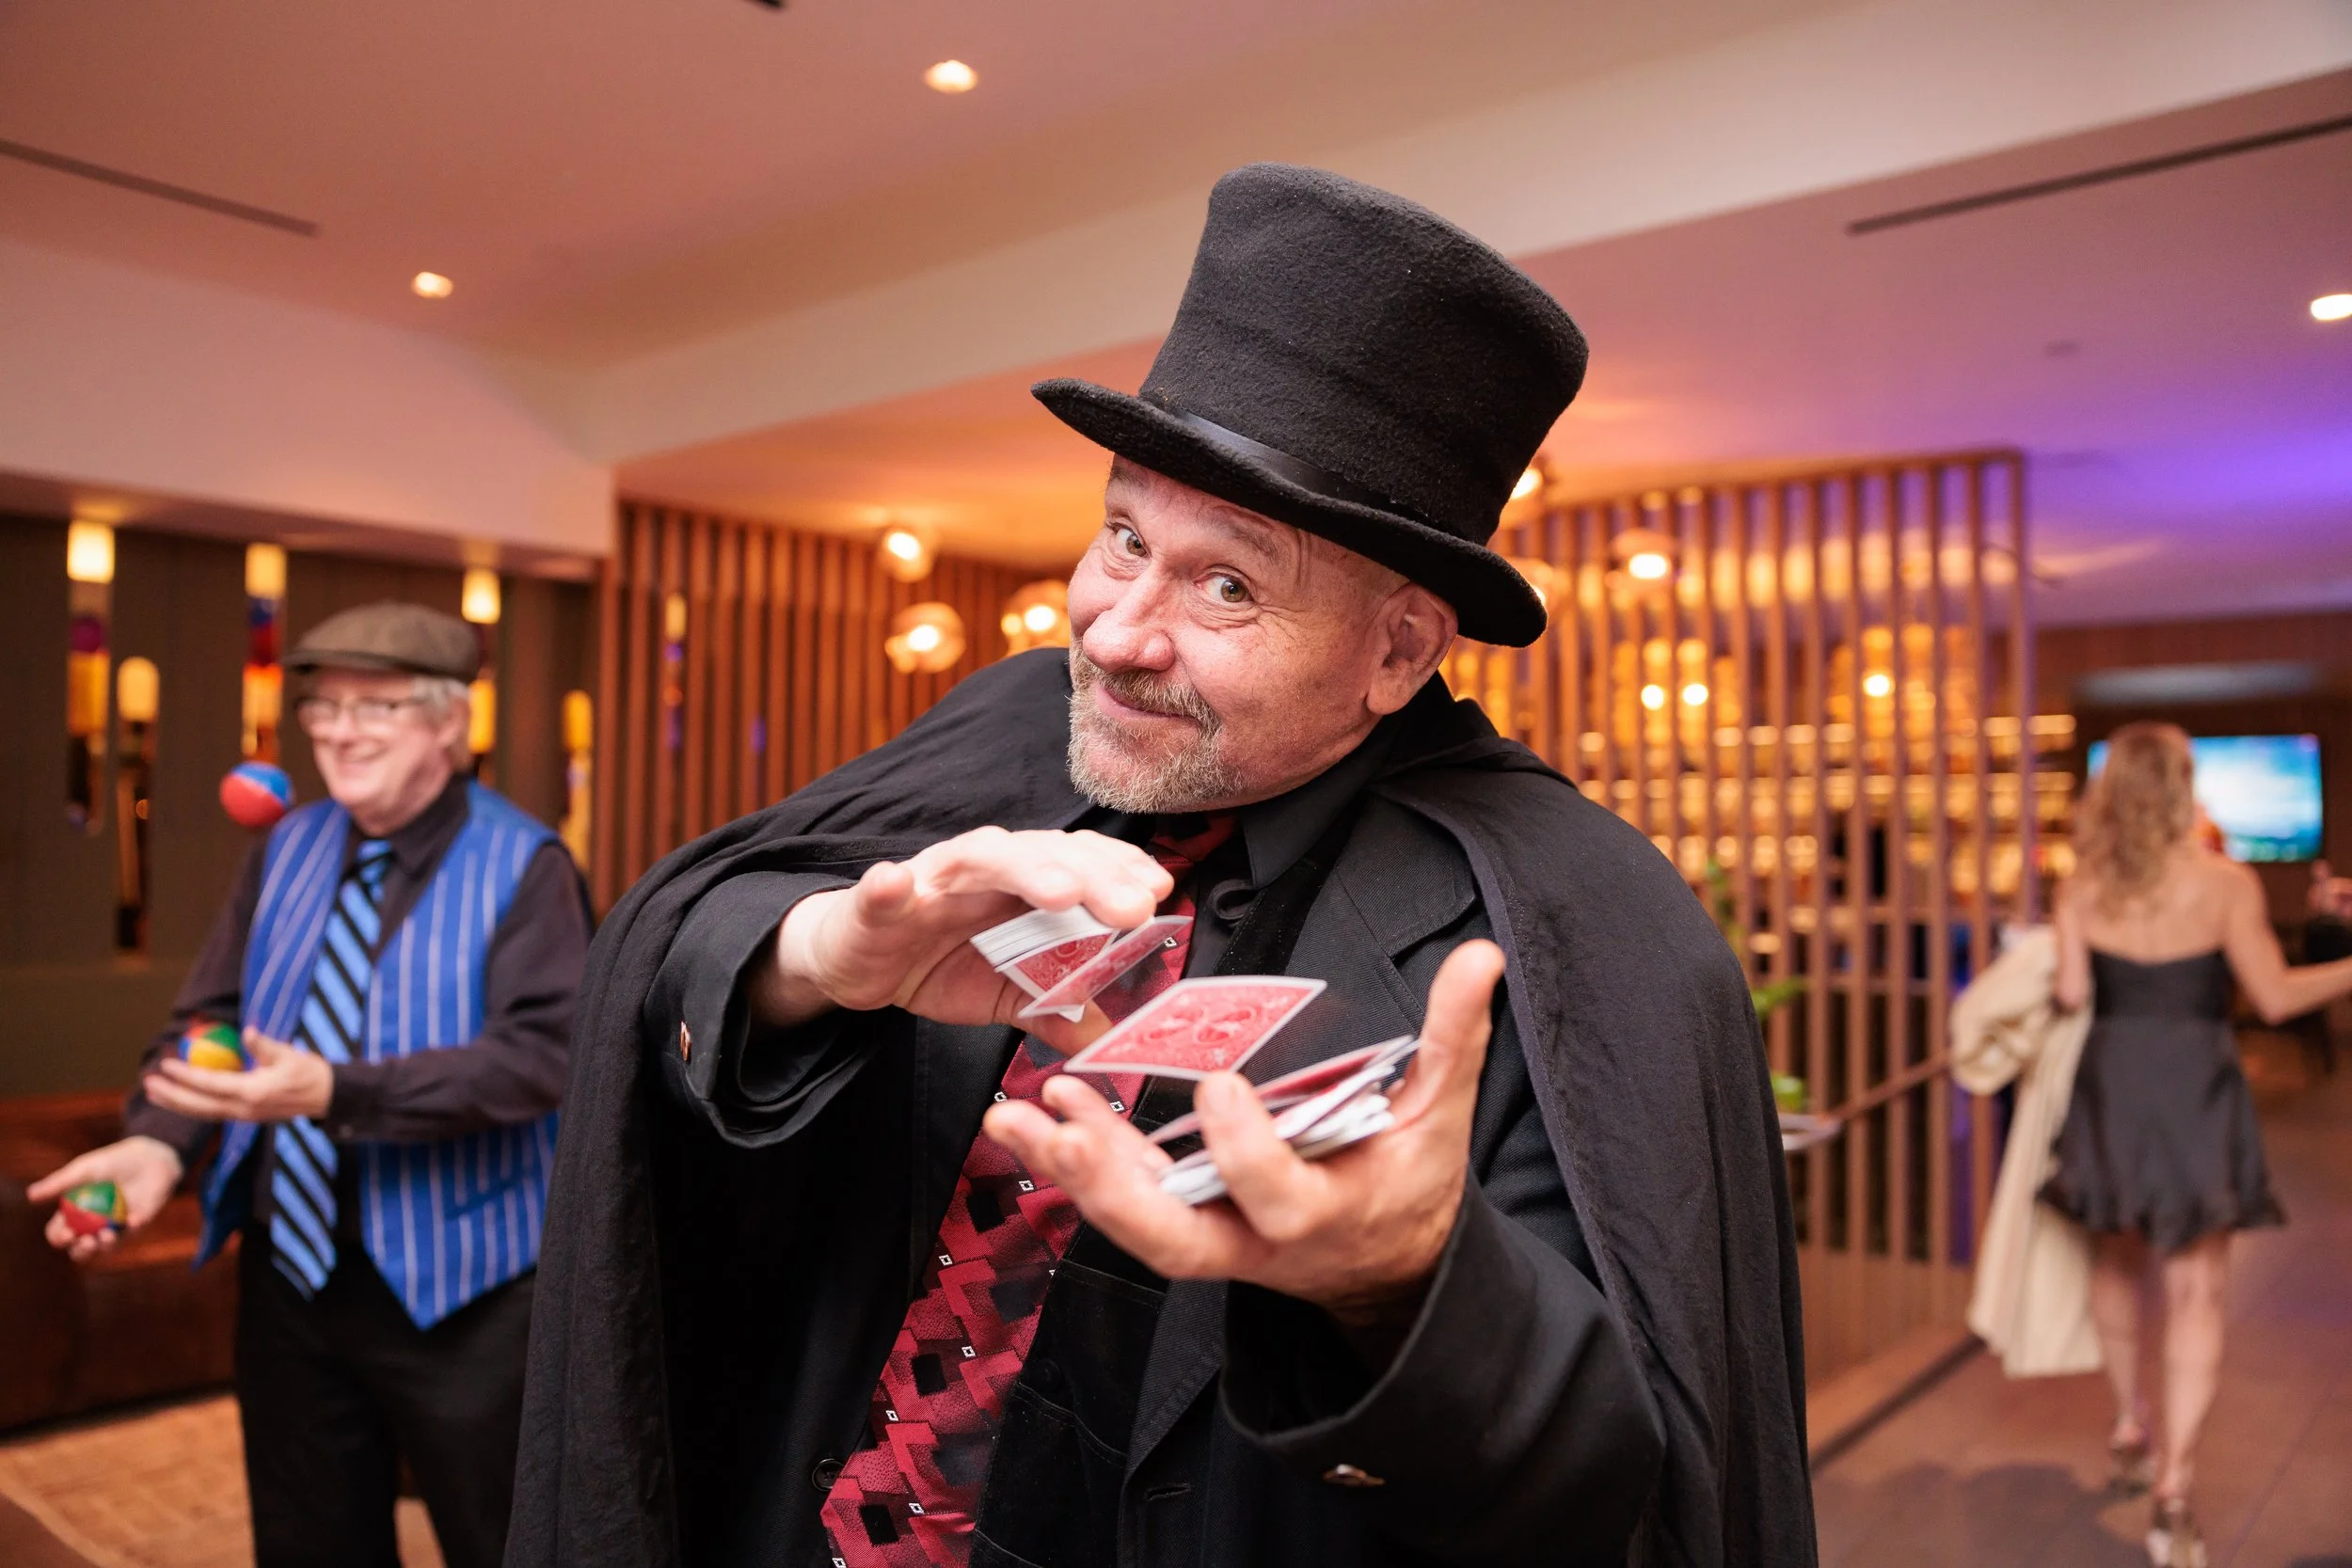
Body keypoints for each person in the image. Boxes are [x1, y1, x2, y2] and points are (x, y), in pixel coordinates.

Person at [511, 165, 1812, 1568]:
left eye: (1226, 584)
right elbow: (688, 931)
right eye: (1125, 533)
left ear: (1399, 649)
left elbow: (1629, 1477)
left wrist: (1406, 1289)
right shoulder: (1012, 719)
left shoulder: (1579, 921)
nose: (1118, 631)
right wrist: (816, 960)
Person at [29, 602, 593, 1568]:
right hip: (289, 1278)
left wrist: (336, 1087)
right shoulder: (285, 845)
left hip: (470, 1294)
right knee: (308, 1541)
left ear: (450, 721)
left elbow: (543, 1055)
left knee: (509, 1543)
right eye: (324, 703)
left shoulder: (527, 862)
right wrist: (160, 1140)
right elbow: (209, 1019)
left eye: (376, 706)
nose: (337, 729)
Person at [2044, 721, 2352, 1568]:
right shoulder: (2224, 882)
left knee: (2115, 1258)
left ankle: (2127, 1422)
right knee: (2197, 1292)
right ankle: (2175, 1487)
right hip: (2195, 1093)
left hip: (2113, 1087)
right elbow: (2278, 995)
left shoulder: (2083, 884)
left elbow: (2071, 993)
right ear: (2183, 787)